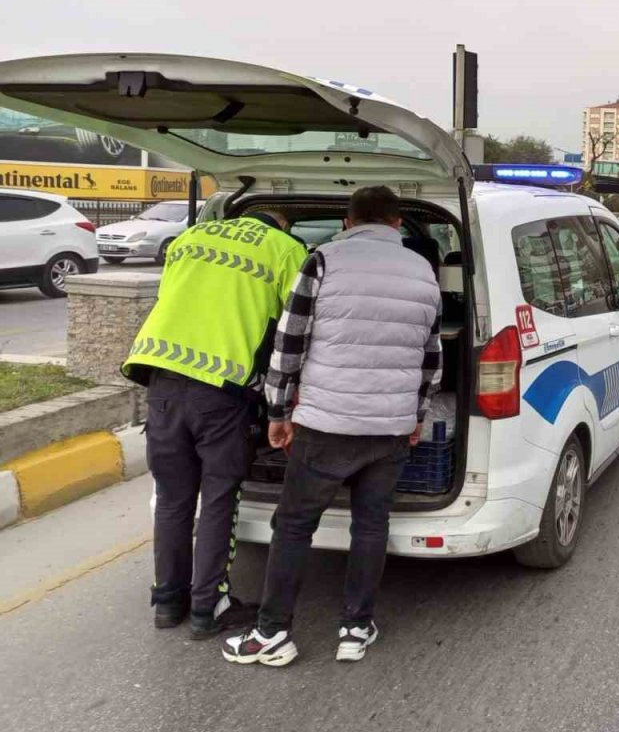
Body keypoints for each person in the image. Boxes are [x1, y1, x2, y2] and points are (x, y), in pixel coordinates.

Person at [223, 186, 442, 668]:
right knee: (371, 525)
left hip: (325, 424)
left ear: (348, 221)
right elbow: (430, 357)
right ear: (397, 224)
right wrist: (416, 417)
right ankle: (355, 627)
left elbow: (290, 341)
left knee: (295, 525)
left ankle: (272, 632)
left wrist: (278, 413)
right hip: (389, 427)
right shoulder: (424, 270)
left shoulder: (323, 260)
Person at [127, 206, 307, 638]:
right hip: (222, 393)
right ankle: (210, 607)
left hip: (162, 382)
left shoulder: (191, 238)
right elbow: (296, 326)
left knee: (172, 499)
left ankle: (168, 602)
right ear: (282, 223)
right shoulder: (286, 249)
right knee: (218, 499)